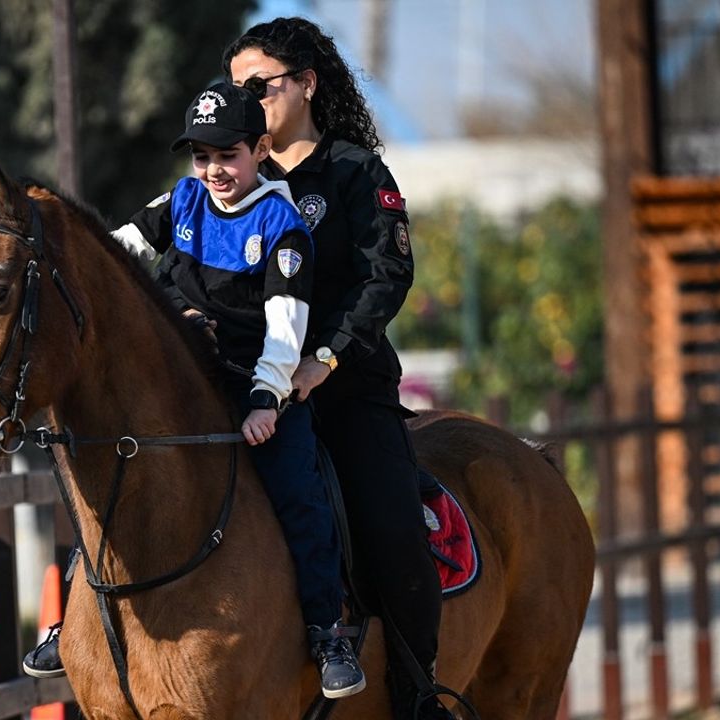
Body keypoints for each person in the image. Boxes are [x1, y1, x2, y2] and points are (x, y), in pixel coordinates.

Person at [24, 81, 366, 699]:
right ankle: (77, 613)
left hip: (251, 384)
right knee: (107, 484)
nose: (213, 170)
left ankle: (325, 632)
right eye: (201, 156)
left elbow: (287, 326)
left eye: (227, 154)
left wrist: (268, 397)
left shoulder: (280, 223)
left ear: (260, 149)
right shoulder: (182, 200)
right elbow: (115, 252)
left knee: (298, 489)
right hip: (176, 378)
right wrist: (62, 256)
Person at [221, 17, 454, 720]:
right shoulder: (228, 172)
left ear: (307, 85)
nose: (246, 99)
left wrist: (323, 360)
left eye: (259, 86)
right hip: (246, 391)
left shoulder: (356, 170)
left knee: (391, 534)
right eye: (235, 89)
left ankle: (419, 697)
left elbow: (389, 275)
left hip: (343, 390)